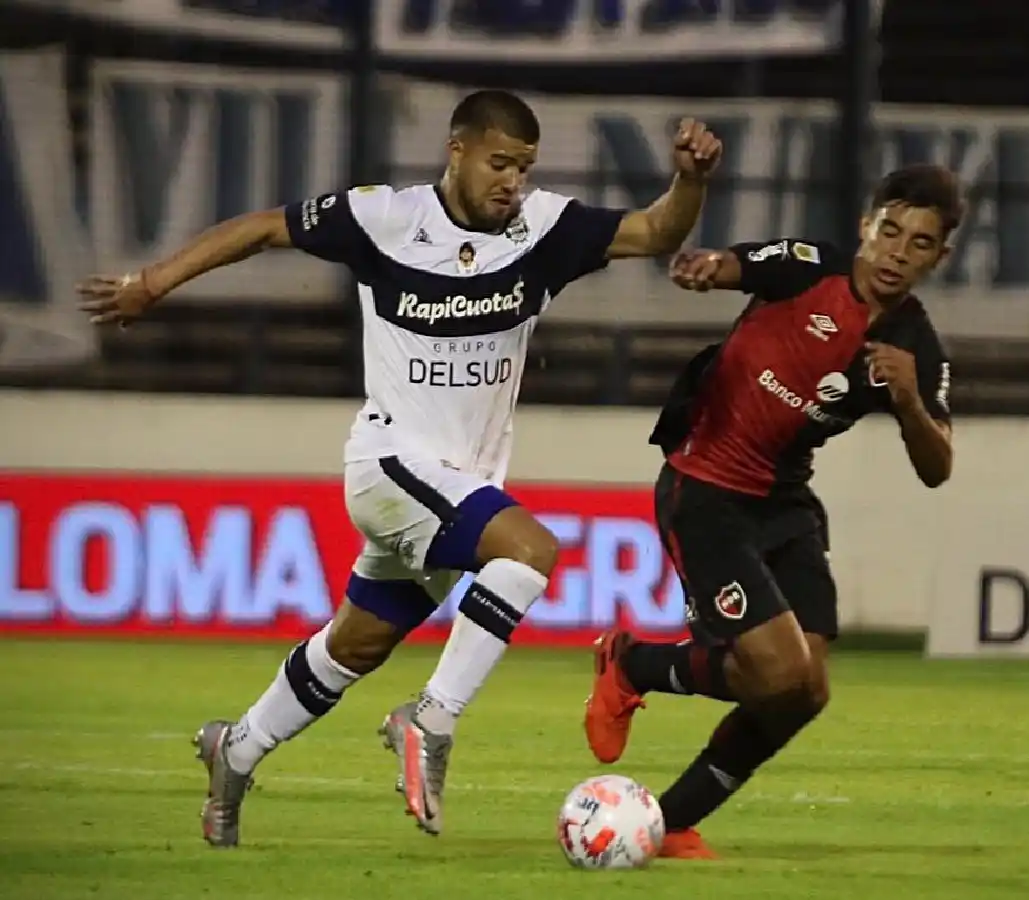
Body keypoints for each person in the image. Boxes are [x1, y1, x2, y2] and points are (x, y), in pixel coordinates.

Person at [77, 89, 723, 847]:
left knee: (356, 645)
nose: (512, 180)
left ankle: (238, 747)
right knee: (531, 553)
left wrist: (692, 182)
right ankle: (431, 719)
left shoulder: (543, 230)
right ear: (457, 151)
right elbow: (262, 229)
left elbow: (654, 230)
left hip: (455, 487)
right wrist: (153, 281)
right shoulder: (385, 218)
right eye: (499, 162)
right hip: (389, 464)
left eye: (523, 167)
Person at [582, 164, 959, 860]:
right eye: (891, 231)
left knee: (804, 690)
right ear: (865, 228)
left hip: (784, 504)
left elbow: (939, 468)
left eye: (920, 242)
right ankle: (633, 665)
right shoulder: (810, 267)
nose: (898, 253)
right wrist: (705, 268)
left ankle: (669, 822)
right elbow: (735, 265)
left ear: (941, 256)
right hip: (705, 490)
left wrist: (908, 400)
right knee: (776, 673)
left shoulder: (915, 347)